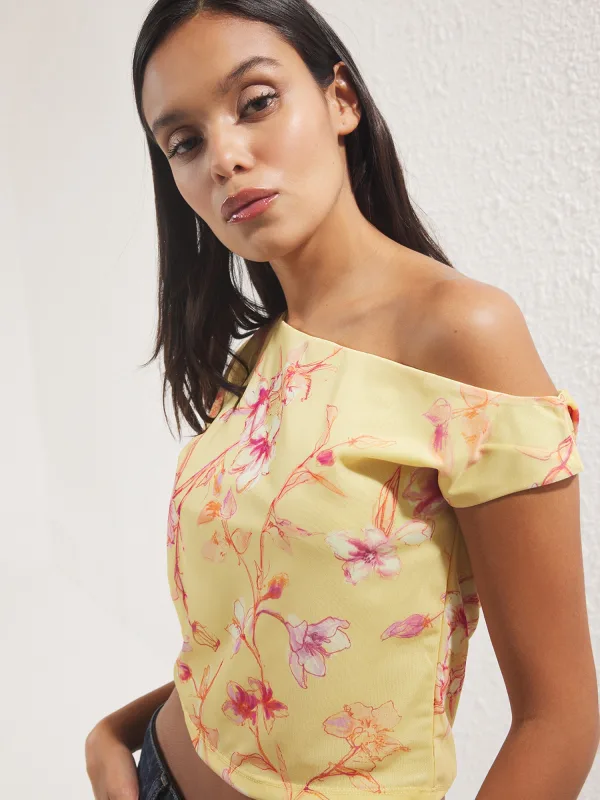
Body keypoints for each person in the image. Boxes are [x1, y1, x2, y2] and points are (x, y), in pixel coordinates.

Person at [85, 1, 599, 798]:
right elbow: (248, 635)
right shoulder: (254, 359)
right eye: (184, 142)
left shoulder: (463, 336)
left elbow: (559, 717)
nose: (224, 157)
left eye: (256, 102)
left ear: (341, 100)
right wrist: (111, 740)